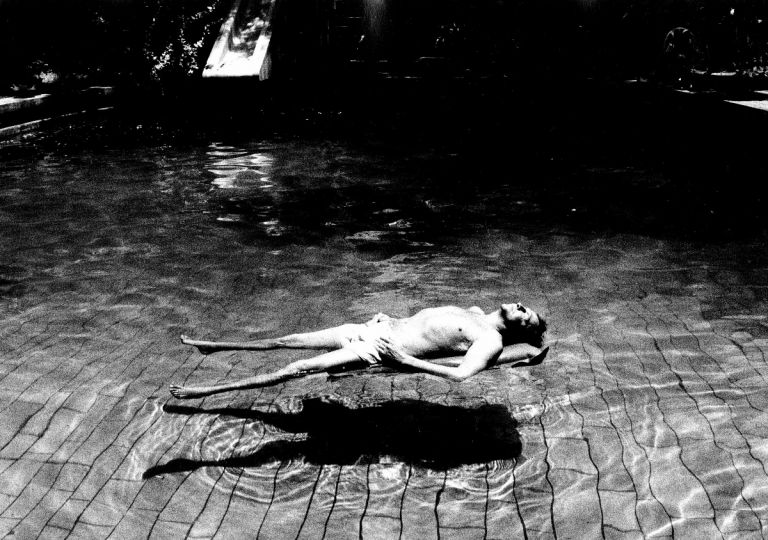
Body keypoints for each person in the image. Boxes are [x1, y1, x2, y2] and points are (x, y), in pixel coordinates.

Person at [169, 303, 547, 399]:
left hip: (380, 350)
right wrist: (392, 318)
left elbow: (463, 374)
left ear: (523, 327)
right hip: (376, 328)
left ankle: (204, 393)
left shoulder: (491, 342)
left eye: (526, 313)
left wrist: (404, 361)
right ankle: (213, 347)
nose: (520, 305)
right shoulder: (476, 313)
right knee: (291, 340)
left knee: (298, 366)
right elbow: (428, 327)